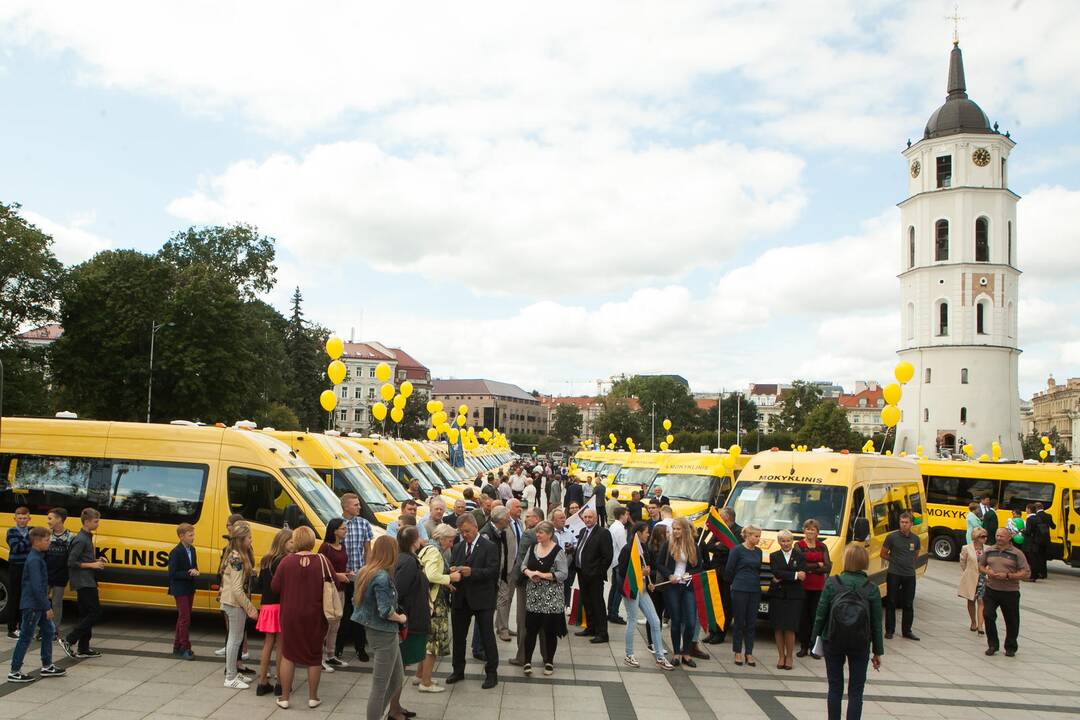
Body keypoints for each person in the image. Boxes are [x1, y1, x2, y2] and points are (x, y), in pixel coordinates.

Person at [811, 543, 884, 720]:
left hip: (833, 639)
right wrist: (877, 652)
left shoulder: (832, 583)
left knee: (835, 687)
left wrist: (814, 639)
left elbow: (820, 614)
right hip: (860, 642)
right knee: (856, 691)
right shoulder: (871, 588)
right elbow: (876, 623)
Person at [354, 536, 409, 720]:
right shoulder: (382, 577)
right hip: (384, 633)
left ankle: (380, 714)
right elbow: (385, 611)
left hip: (375, 630)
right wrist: (401, 618)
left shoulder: (365, 571)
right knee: (380, 685)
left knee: (396, 679)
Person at [272, 526, 327, 708]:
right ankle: (313, 697)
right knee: (314, 656)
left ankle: (285, 698)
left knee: (288, 655)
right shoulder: (321, 561)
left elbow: (275, 587)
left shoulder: (286, 562)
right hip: (315, 614)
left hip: (290, 614)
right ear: (311, 541)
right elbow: (331, 580)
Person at [445, 514, 501, 690]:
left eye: (467, 531)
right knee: (459, 637)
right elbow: (453, 565)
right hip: (461, 599)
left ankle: (491, 673)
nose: (465, 535)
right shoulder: (458, 547)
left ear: (476, 528)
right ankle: (458, 670)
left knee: (487, 636)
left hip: (483, 599)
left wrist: (473, 572)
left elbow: (493, 571)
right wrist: (453, 572)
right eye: (462, 532)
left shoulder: (489, 546)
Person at [7, 527, 66, 683]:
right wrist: (47, 606)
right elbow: (36, 586)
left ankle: (47, 665)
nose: (49, 542)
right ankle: (14, 670)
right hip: (33, 605)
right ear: (37, 541)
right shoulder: (34, 560)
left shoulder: (38, 557)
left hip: (37, 604)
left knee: (48, 631)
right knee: (26, 637)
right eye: (47, 540)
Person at [619, 522, 674, 671]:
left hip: (643, 589)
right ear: (638, 533)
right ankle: (629, 654)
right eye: (646, 532)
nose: (648, 535)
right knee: (632, 619)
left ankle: (660, 657)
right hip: (631, 590)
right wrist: (640, 574)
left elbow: (648, 567)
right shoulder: (627, 549)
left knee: (655, 621)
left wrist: (649, 579)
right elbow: (623, 572)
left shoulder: (644, 548)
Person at [414, 524, 460, 692]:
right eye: (450, 540)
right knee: (432, 645)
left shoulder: (428, 548)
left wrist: (446, 580)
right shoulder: (435, 551)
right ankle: (425, 683)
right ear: (441, 538)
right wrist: (450, 577)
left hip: (428, 600)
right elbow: (431, 575)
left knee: (427, 642)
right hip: (435, 604)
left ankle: (419, 675)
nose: (451, 544)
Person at [520, 519, 569, 675]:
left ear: (549, 534)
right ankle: (527, 661)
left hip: (551, 598)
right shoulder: (533, 548)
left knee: (549, 631)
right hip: (534, 597)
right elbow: (523, 566)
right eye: (537, 532)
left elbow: (563, 574)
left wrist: (542, 575)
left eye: (540, 532)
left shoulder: (558, 551)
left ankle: (549, 662)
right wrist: (529, 573)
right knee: (531, 630)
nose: (537, 535)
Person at [60, 508, 106, 660]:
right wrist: (92, 565)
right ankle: (70, 639)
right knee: (95, 612)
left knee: (86, 613)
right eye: (95, 521)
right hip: (84, 582)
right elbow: (71, 562)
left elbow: (83, 559)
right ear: (87, 522)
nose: (98, 524)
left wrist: (96, 561)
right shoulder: (81, 539)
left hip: (87, 580)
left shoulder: (86, 537)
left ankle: (83, 648)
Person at [393, 528, 429, 717]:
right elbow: (399, 591)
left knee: (401, 668)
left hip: (411, 618)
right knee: (399, 668)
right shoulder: (407, 562)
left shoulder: (407, 558)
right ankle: (393, 709)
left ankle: (396, 707)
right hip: (409, 622)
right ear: (414, 541)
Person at [655, 517, 700, 667]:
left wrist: (690, 573)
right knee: (676, 619)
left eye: (678, 529)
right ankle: (676, 653)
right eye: (674, 529)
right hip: (672, 586)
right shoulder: (668, 544)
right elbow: (659, 563)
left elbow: (700, 566)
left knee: (691, 622)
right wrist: (669, 575)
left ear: (685, 530)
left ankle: (686, 652)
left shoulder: (693, 545)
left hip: (688, 586)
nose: (675, 531)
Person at [218, 521, 258, 688]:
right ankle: (230, 677)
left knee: (235, 639)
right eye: (249, 537)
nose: (251, 540)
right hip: (234, 604)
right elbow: (236, 588)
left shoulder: (234, 554)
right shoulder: (237, 558)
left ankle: (233, 673)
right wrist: (250, 608)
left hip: (232, 602)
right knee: (234, 640)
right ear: (241, 539)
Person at [254, 528, 294, 696]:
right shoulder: (286, 561)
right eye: (291, 541)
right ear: (282, 542)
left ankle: (262, 682)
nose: (294, 544)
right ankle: (280, 682)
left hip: (266, 606)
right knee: (281, 646)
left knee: (267, 644)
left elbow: (259, 584)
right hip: (280, 606)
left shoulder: (266, 560)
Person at [979, 527, 1030, 657]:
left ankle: (1010, 647)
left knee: (1012, 620)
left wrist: (1008, 576)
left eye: (1002, 536)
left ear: (1009, 537)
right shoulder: (990, 550)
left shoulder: (1017, 553)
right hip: (991, 589)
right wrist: (987, 572)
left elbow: (1026, 573)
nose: (999, 538)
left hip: (1010, 591)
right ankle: (992, 645)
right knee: (988, 615)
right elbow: (980, 566)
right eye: (997, 536)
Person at [339, 493, 374, 663]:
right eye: (355, 505)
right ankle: (337, 647)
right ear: (345, 507)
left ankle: (360, 648)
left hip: (359, 576)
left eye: (358, 504)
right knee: (343, 613)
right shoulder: (337, 524)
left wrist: (367, 570)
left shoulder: (364, 524)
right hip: (343, 577)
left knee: (359, 611)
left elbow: (368, 549)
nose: (359, 507)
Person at [701, 507, 741, 645]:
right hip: (715, 570)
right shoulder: (718, 530)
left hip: (727, 573)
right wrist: (719, 544)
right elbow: (708, 546)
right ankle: (713, 631)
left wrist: (719, 545)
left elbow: (730, 547)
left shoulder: (738, 531)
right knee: (713, 602)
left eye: (720, 516)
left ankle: (721, 633)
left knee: (725, 604)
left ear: (727, 518)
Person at [509, 507, 543, 666]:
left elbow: (521, 559)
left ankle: (522, 656)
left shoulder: (529, 534)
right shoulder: (550, 533)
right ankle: (546, 656)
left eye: (528, 516)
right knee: (543, 620)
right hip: (544, 582)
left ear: (537, 519)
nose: (525, 519)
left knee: (523, 620)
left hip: (526, 582)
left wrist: (514, 579)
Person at [573, 507, 613, 644]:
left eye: (590, 517)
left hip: (594, 576)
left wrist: (597, 572)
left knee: (597, 604)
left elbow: (607, 557)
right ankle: (591, 628)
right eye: (585, 517)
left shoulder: (603, 533)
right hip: (582, 573)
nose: (588, 519)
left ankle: (602, 633)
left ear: (596, 518)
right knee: (587, 602)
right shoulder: (583, 531)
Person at [769, 530, 806, 670]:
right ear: (779, 542)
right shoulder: (774, 556)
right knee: (778, 627)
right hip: (778, 595)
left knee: (790, 627)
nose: (785, 543)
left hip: (794, 596)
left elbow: (803, 574)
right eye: (783, 541)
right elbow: (776, 572)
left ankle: (789, 657)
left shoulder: (800, 556)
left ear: (793, 541)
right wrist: (795, 575)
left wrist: (786, 576)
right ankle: (781, 656)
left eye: (788, 540)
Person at [726, 524, 763, 667]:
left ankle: (749, 652)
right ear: (747, 535)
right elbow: (729, 569)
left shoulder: (758, 552)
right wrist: (736, 582)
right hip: (740, 587)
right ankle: (737, 651)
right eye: (756, 536)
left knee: (751, 622)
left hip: (754, 588)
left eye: (759, 536)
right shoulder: (737, 550)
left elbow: (758, 569)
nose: (758, 539)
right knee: (739, 621)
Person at [880, 511, 921, 641]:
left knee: (908, 603)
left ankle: (907, 630)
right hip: (894, 573)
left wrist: (908, 563)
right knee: (891, 602)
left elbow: (916, 554)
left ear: (911, 524)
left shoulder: (915, 539)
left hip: (909, 574)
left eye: (906, 523)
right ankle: (889, 630)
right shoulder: (892, 537)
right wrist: (894, 560)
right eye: (901, 522)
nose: (903, 525)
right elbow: (883, 553)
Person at [481, 506, 518, 642]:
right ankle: (501, 629)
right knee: (500, 600)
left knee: (504, 598)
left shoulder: (503, 529)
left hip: (504, 570)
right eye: (507, 518)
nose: (509, 520)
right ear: (502, 519)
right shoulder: (488, 533)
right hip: (494, 574)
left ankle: (502, 626)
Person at [796, 518, 831, 658]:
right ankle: (803, 646)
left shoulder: (822, 546)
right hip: (803, 586)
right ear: (804, 530)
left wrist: (811, 567)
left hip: (818, 587)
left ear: (817, 532)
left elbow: (828, 566)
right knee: (803, 617)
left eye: (813, 529)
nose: (810, 531)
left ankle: (814, 647)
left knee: (816, 617)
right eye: (808, 529)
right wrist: (818, 565)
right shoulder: (798, 545)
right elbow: (800, 565)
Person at [318, 518, 350, 671]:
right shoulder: (325, 548)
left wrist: (347, 574)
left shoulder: (342, 546)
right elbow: (321, 570)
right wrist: (338, 575)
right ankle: (319, 657)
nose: (345, 531)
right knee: (327, 623)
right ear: (334, 530)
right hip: (329, 590)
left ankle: (330, 654)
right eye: (343, 529)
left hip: (341, 588)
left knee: (336, 624)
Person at [167, 523, 199, 660]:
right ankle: (185, 647)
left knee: (182, 618)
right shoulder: (176, 552)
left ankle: (177, 646)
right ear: (181, 536)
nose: (193, 537)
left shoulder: (192, 549)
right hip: (179, 589)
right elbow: (172, 573)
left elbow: (194, 566)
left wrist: (195, 570)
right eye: (190, 535)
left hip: (189, 588)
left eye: (193, 534)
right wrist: (188, 573)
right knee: (185, 618)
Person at [44, 508, 73, 636]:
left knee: (57, 602)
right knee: (42, 601)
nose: (48, 521)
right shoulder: (46, 535)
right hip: (46, 574)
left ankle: (54, 629)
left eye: (50, 518)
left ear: (59, 519)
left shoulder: (70, 537)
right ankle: (43, 627)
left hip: (61, 575)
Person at [5, 506, 31, 639]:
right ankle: (11, 628)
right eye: (19, 518)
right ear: (15, 518)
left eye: (25, 518)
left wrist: (29, 539)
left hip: (28, 568)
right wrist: (29, 538)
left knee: (25, 598)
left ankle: (23, 627)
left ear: (29, 518)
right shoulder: (11, 532)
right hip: (16, 567)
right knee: (15, 597)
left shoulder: (32, 531)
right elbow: (16, 548)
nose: (22, 521)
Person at [957, 527, 988, 635]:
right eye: (982, 536)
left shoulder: (987, 549)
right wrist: (968, 572)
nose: (985, 539)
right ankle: (973, 622)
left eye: (985, 536)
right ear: (976, 537)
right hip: (971, 577)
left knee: (981, 601)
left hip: (984, 579)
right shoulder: (966, 548)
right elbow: (962, 562)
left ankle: (980, 625)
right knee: (971, 600)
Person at [606, 506, 630, 626]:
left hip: (615, 561)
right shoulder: (619, 528)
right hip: (619, 562)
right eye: (626, 515)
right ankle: (614, 613)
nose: (627, 517)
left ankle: (610, 611)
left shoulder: (614, 526)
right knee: (619, 589)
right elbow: (623, 547)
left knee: (614, 587)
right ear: (622, 515)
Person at [647, 524, 669, 627]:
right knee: (655, 612)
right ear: (661, 535)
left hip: (662, 583)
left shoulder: (666, 547)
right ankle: (652, 640)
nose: (670, 534)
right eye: (667, 532)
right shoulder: (651, 549)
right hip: (654, 584)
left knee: (658, 611)